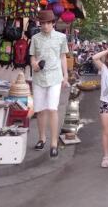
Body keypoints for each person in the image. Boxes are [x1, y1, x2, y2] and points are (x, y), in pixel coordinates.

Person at [29, 10, 70, 158]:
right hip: (39, 77)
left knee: (52, 109)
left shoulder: (61, 37)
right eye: (43, 23)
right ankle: (42, 138)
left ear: (53, 23)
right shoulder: (35, 38)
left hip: (55, 77)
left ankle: (54, 143)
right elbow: (32, 57)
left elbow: (63, 57)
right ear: (40, 24)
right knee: (40, 110)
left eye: (48, 23)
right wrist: (34, 64)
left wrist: (66, 76)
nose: (45, 26)